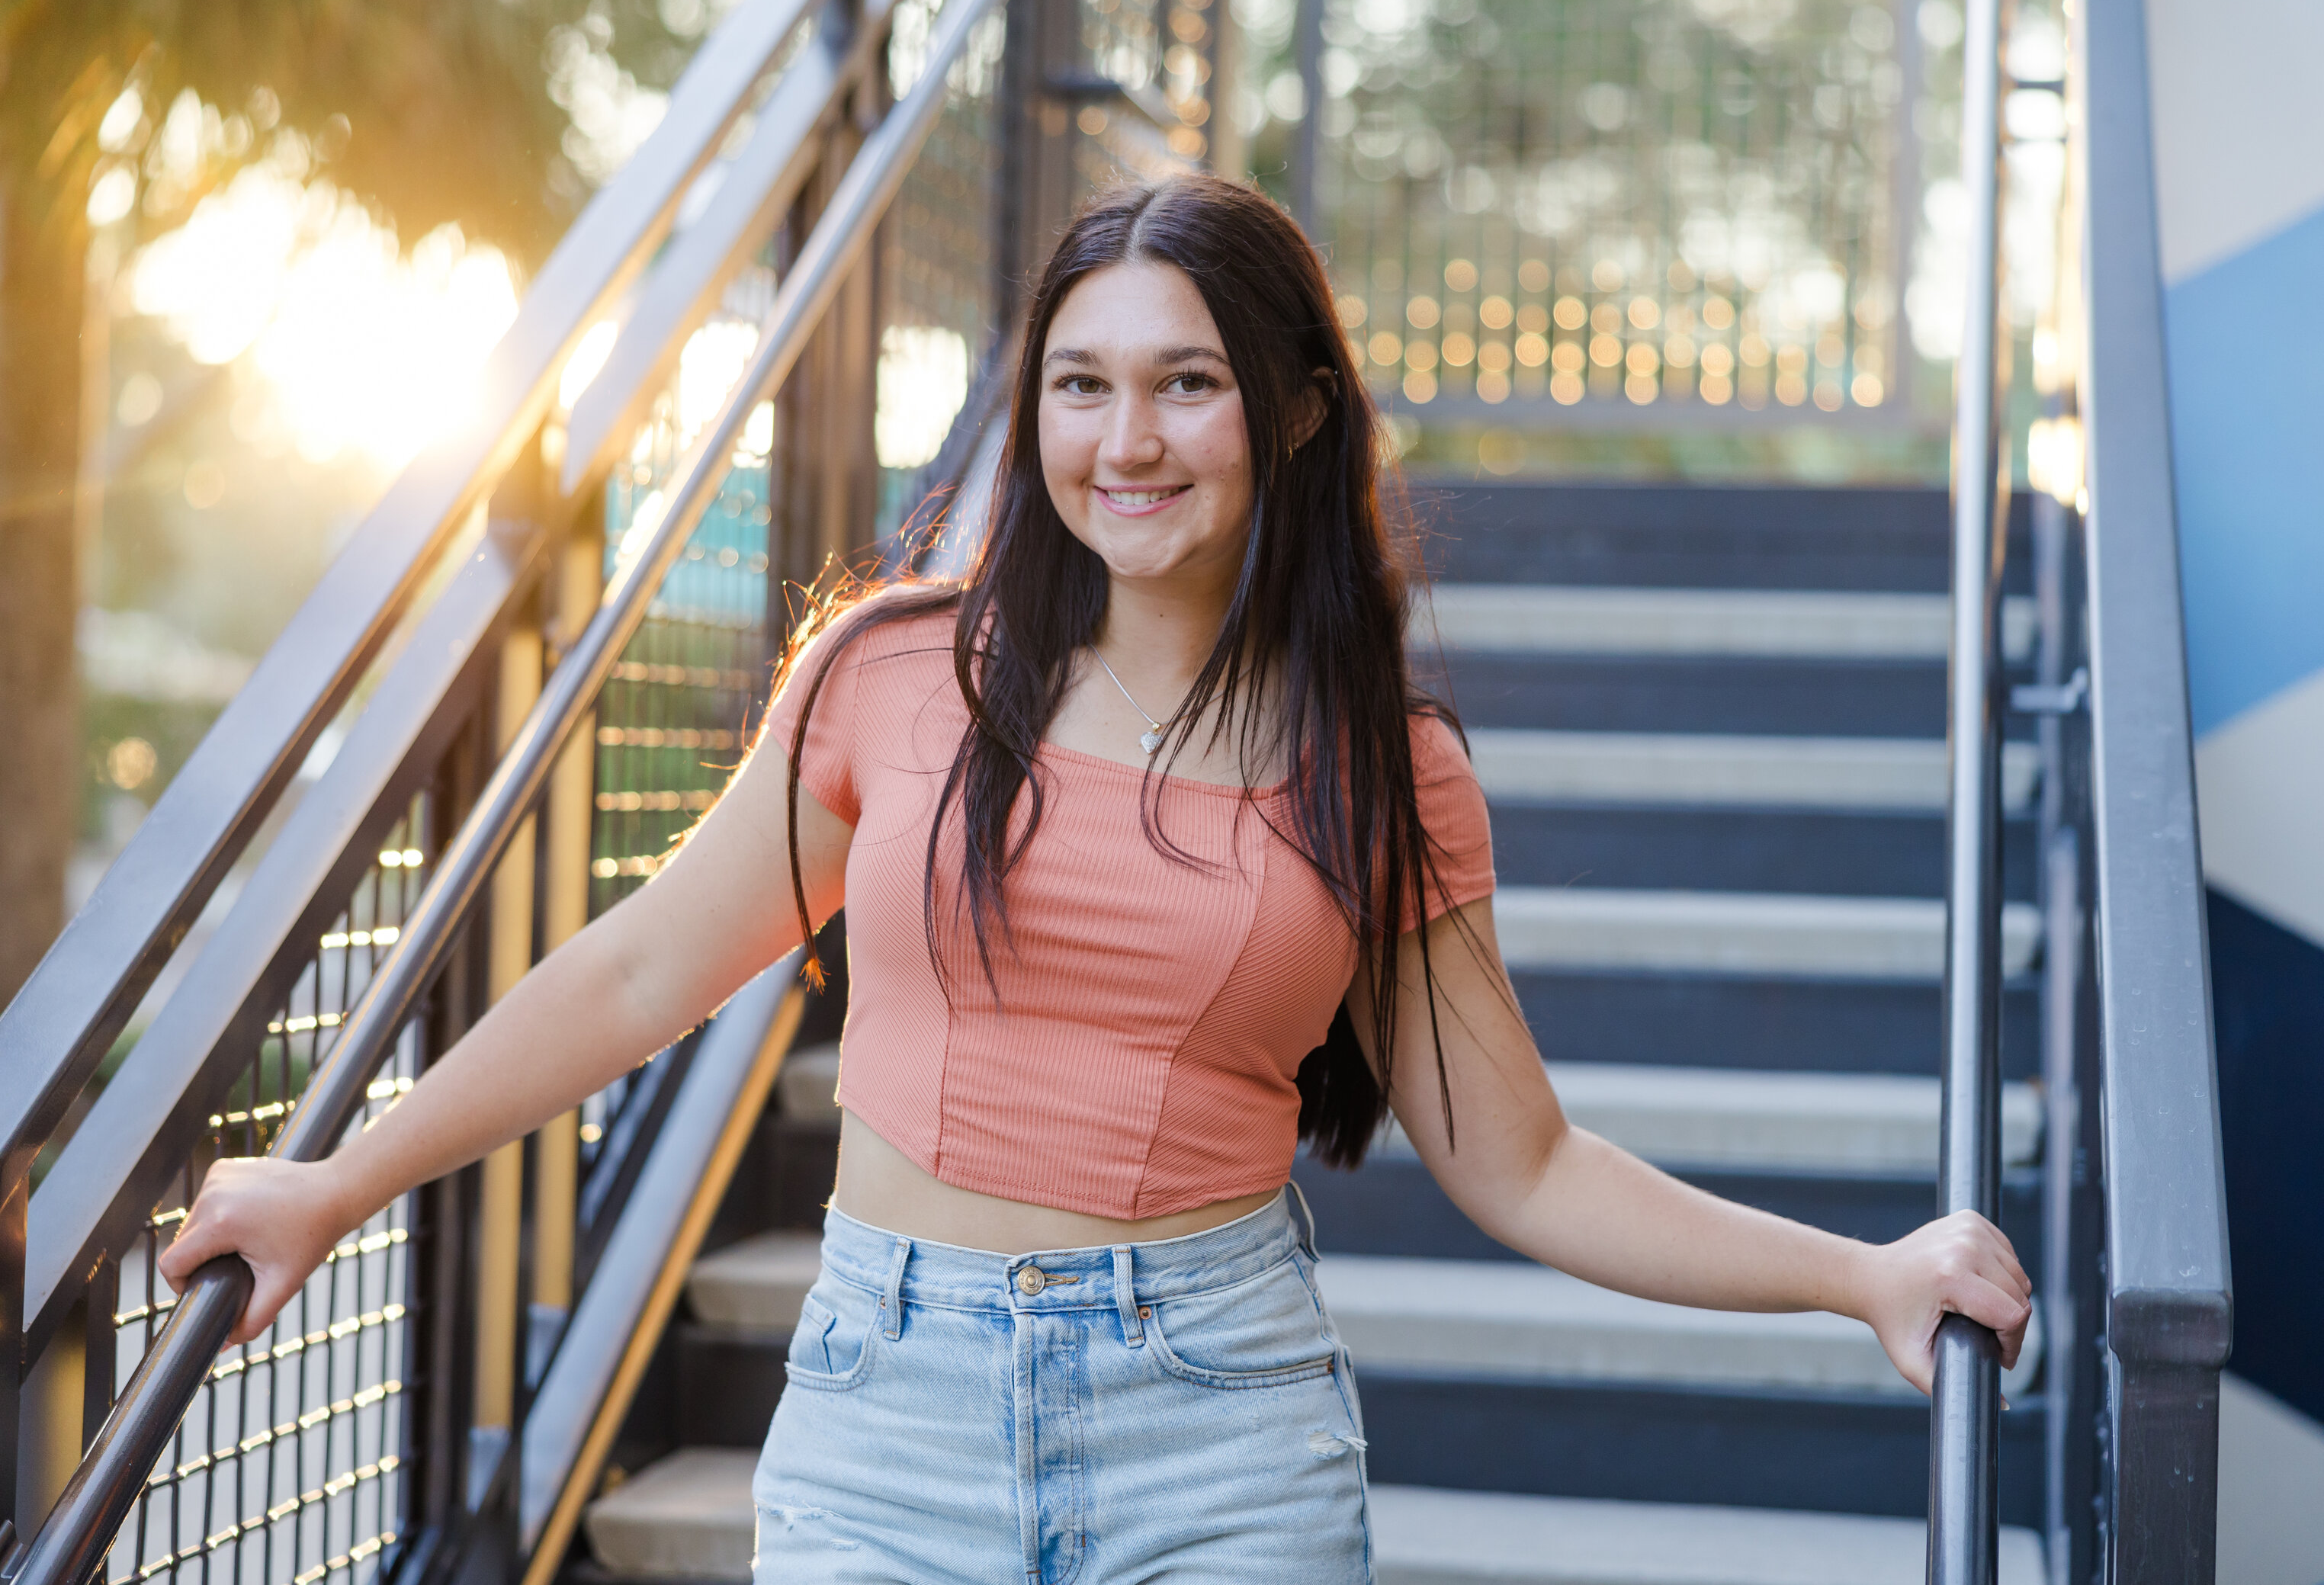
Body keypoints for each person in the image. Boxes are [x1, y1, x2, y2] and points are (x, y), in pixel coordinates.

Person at [163, 174, 2030, 1583]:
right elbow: (647, 968)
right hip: (885, 1415)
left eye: (1184, 383)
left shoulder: (1381, 764)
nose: (1124, 441)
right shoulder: (896, 672)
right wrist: (338, 1180)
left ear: (1294, 410)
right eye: (1080, 384)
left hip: (1217, 1428)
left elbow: (1522, 1160)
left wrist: (1856, 1273)